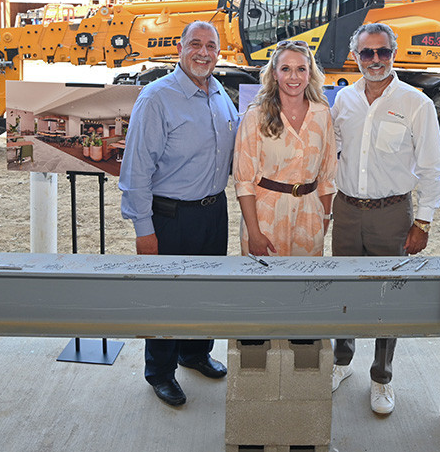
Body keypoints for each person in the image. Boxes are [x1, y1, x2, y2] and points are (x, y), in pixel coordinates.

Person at [120, 20, 239, 407]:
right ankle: (160, 371)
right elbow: (136, 169)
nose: (203, 52)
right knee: (166, 296)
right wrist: (143, 229)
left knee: (207, 291)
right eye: (195, 44)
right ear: (180, 49)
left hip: (212, 211)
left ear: (219, 53)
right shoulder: (157, 98)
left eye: (210, 46)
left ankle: (195, 352)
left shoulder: (220, 94)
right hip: (170, 216)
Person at [330, 22, 440, 415]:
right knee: (343, 291)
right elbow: (333, 153)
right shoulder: (343, 99)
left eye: (383, 52)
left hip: (392, 214)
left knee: (387, 296)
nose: (375, 60)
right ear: (355, 56)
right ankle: (341, 362)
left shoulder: (417, 103)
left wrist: (423, 222)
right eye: (367, 53)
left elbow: (432, 168)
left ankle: (381, 377)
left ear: (394, 54)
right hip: (346, 212)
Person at [233, 40, 336, 257]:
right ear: (274, 74)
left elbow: (327, 175)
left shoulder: (322, 114)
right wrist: (254, 232)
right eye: (286, 69)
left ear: (310, 74)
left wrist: (324, 217)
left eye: (301, 69)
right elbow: (244, 182)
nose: (294, 77)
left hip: (309, 219)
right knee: (263, 289)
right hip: (265, 219)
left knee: (305, 287)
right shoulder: (256, 116)